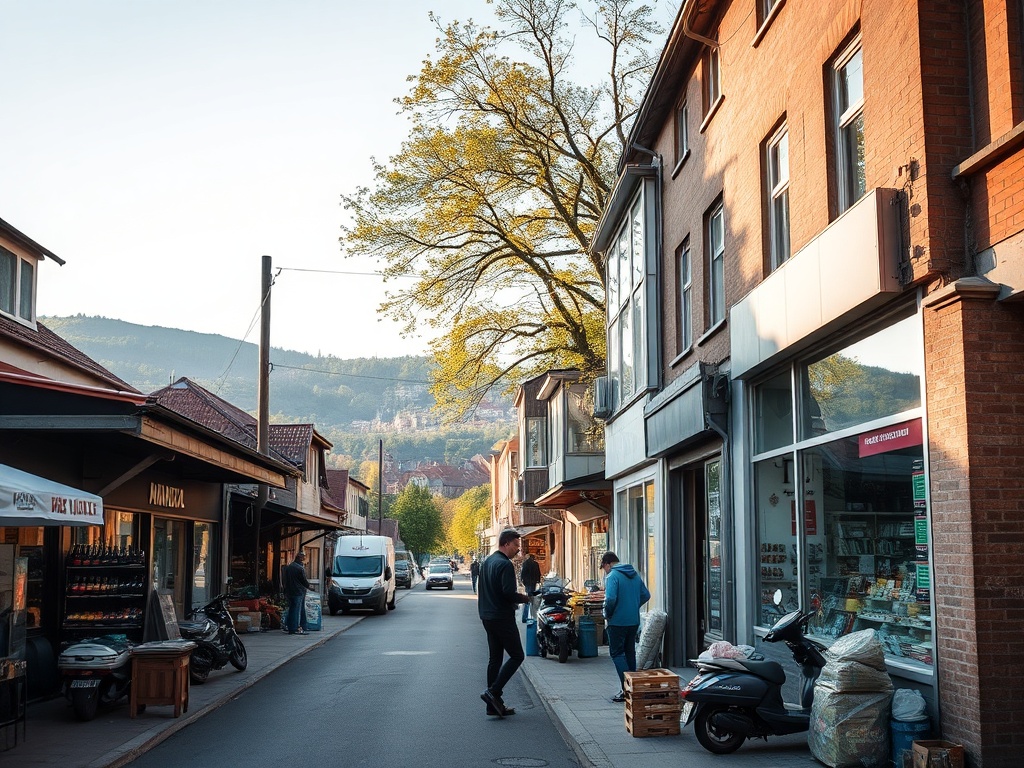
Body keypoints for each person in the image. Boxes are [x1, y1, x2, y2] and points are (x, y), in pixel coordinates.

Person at [478, 528, 530, 718]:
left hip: (487, 616)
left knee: (495, 658)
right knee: (517, 656)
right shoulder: (505, 565)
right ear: (506, 544)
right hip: (501, 616)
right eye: (516, 545)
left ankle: (493, 705)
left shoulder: (488, 562)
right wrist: (525, 599)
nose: (518, 550)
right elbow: (508, 593)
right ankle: (493, 692)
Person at [601, 551, 651, 702]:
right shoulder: (634, 574)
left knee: (617, 653)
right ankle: (633, 688)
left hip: (617, 621)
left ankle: (627, 689)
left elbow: (610, 599)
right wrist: (633, 606)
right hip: (633, 621)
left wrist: (608, 613)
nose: (605, 571)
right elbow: (646, 595)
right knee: (630, 653)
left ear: (607, 564)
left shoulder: (612, 576)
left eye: (603, 567)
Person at [282, 551, 312, 635]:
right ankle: (294, 628)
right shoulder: (299, 568)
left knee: (293, 608)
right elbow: (303, 580)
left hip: (290, 591)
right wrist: (309, 587)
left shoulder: (289, 567)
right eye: (303, 558)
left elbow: (285, 580)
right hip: (298, 591)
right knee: (296, 610)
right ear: (299, 558)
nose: (304, 559)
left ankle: (298, 626)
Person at [519, 552, 542, 622]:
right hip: (533, 582)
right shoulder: (535, 564)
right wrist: (538, 581)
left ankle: (525, 617)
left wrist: (522, 581)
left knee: (528, 599)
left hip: (527, 583)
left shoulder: (525, 563)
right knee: (532, 598)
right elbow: (538, 574)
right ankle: (533, 616)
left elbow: (522, 573)